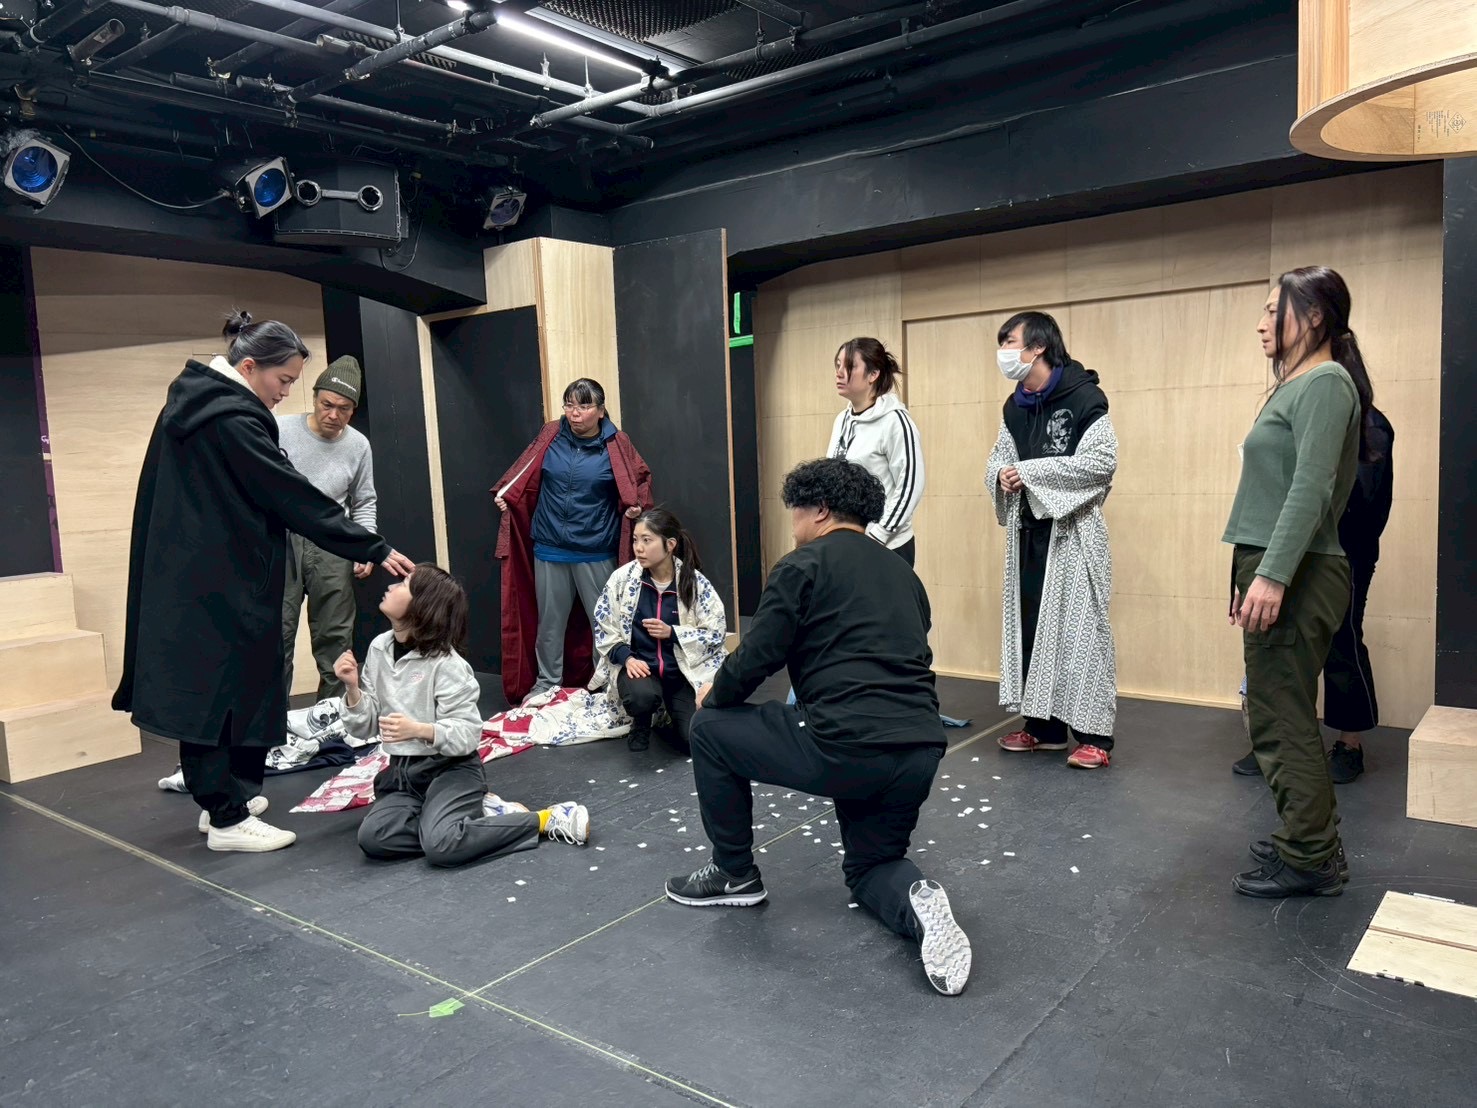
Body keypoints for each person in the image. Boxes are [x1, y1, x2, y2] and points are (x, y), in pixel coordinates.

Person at [666, 458, 971, 997]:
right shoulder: (904, 575)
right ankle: (919, 902)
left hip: (845, 746)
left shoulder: (801, 565)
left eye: (796, 511)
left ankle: (733, 872)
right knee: (873, 865)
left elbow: (759, 654)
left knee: (709, 730)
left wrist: (716, 692)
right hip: (919, 749)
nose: (793, 524)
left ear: (821, 510)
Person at [114, 312, 414, 853]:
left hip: (212, 577)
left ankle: (228, 797)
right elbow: (288, 493)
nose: (286, 392)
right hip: (218, 582)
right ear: (250, 366)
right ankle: (226, 817)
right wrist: (373, 546)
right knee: (217, 692)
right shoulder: (230, 418)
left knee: (237, 684)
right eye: (284, 380)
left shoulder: (199, 407)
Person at [1224, 265, 1368, 899]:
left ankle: (1310, 856)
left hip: (1300, 569)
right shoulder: (1299, 384)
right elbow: (1272, 493)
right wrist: (1251, 573)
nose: (1261, 324)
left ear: (1313, 317)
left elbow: (1311, 488)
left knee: (1280, 717)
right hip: (1277, 562)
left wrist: (1274, 573)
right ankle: (1312, 838)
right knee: (1278, 712)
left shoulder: (1326, 382)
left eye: (1271, 310)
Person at [338, 564, 590, 866]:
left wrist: (419, 730)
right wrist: (352, 689)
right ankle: (470, 821)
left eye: (403, 584)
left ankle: (544, 819)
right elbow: (364, 728)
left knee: (442, 845)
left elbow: (468, 735)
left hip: (450, 769)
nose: (392, 587)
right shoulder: (379, 648)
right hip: (402, 774)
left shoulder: (448, 665)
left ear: (421, 606)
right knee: (374, 838)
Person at [985, 311, 1118, 769]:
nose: (1003, 351)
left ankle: (1095, 736)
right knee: (1032, 630)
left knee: (1080, 633)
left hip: (1073, 534)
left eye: (1010, 341)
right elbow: (1000, 458)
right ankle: (1044, 728)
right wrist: (1001, 475)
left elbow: (1101, 462)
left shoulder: (1084, 397)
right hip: (1029, 534)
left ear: (1038, 346)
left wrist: (1030, 473)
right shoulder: (1014, 407)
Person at [1232, 407, 1393, 784]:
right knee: (1275, 641)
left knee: (1341, 641)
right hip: (1281, 547)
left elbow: (1362, 500)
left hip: (1342, 551)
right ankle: (1276, 742)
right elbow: (1259, 493)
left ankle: (1350, 745)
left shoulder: (1368, 423)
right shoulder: (1287, 414)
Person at [492, 379, 654, 705]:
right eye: (569, 405)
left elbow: (639, 481)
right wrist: (508, 497)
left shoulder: (617, 443)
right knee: (550, 624)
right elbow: (524, 473)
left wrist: (636, 505)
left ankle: (604, 685)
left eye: (583, 406)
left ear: (601, 410)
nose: (574, 413)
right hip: (550, 545)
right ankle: (546, 684)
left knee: (603, 623)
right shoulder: (551, 434)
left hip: (596, 548)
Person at [279, 354, 378, 700]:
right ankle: (270, 721)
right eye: (327, 404)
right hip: (282, 539)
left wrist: (365, 546)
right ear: (315, 398)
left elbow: (364, 500)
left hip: (332, 542)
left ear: (353, 410)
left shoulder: (358, 445)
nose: (334, 415)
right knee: (276, 633)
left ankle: (333, 717)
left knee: (335, 637)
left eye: (344, 408)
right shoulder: (279, 429)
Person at [591, 509, 728, 752]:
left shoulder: (693, 582)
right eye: (635, 540)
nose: (638, 548)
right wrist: (627, 658)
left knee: (693, 740)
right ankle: (641, 721)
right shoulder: (622, 580)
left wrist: (673, 633)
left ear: (670, 544)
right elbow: (604, 624)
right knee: (641, 697)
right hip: (641, 670)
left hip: (681, 673)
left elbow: (716, 632)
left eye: (647, 540)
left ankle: (671, 710)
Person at [826, 337, 925, 565]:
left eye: (849, 366)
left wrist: (879, 535)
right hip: (850, 542)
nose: (839, 373)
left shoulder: (895, 421)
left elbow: (910, 486)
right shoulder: (842, 420)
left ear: (873, 374)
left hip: (887, 545)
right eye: (837, 365)